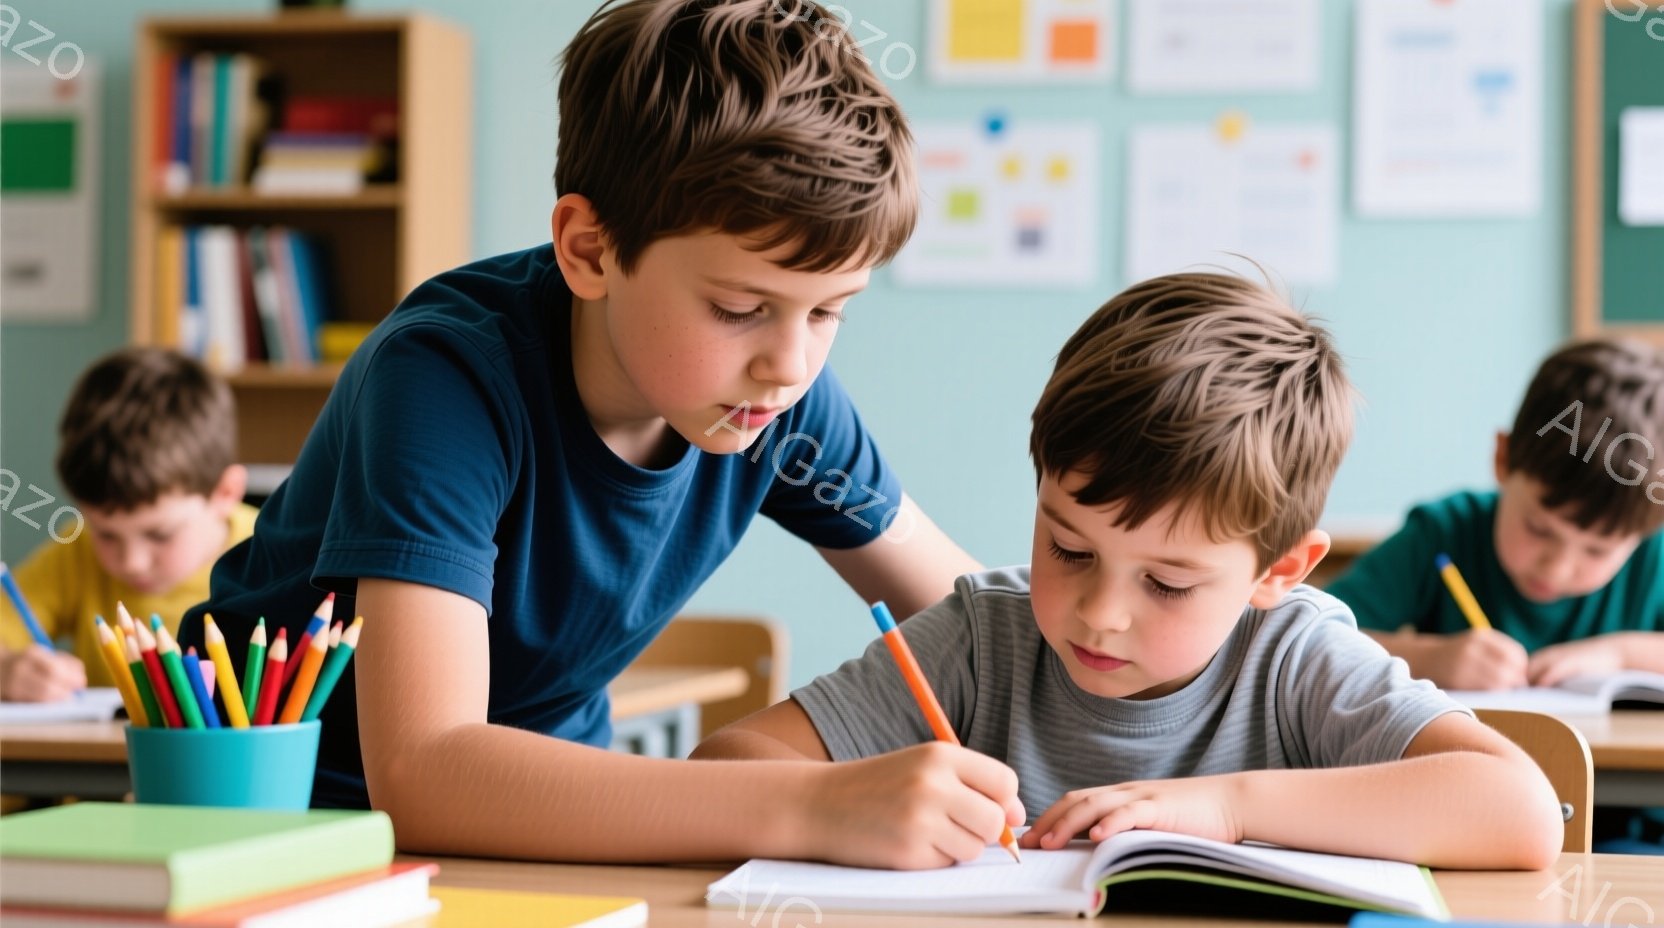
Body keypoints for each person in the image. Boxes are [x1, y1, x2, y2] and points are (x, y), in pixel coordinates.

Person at [179, 0, 992, 866]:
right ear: (590, 250)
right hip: (285, 825)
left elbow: (997, 632)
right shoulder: (445, 379)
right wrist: (815, 804)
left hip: (536, 820)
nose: (790, 365)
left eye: (829, 310)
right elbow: (424, 774)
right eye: (740, 308)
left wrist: (1155, 781)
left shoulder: (779, 406)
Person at [695, 272, 1562, 871]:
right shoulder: (980, 638)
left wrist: (1225, 812)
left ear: (1280, 570)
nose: (1099, 613)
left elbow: (1517, 810)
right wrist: (848, 797)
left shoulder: (1293, 660)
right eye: (1069, 548)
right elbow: (723, 770)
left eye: (1169, 584)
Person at [1327, 337, 1663, 853]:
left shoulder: (1654, 557)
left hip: (1630, 832)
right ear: (1503, 458)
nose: (1559, 564)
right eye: (1539, 528)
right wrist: (1430, 657)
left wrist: (1620, 654)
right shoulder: (1445, 531)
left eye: (1596, 550)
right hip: (1465, 822)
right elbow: (1317, 635)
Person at [1, 347, 254, 701]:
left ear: (225, 493)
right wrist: (8, 670)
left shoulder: (271, 556)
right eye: (105, 533)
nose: (131, 561)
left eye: (159, 534)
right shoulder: (77, 553)